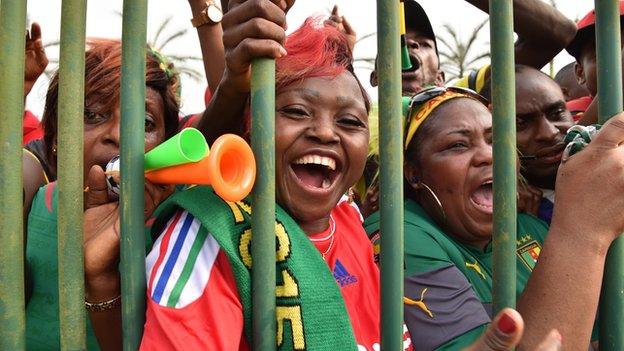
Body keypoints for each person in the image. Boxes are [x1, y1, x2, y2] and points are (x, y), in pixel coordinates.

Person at [367, 85, 624, 350]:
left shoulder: (532, 227)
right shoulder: (397, 235)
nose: (489, 155)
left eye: (495, 140)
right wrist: (581, 231)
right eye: (458, 145)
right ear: (413, 173)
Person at [25, 39, 179, 350]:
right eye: (93, 115)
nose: (117, 135)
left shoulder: (176, 228)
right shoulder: (28, 203)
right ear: (54, 136)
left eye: (144, 122)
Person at [565, 1, 624, 126]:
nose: (619, 64)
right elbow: (572, 142)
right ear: (580, 73)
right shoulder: (569, 115)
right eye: (604, 55)